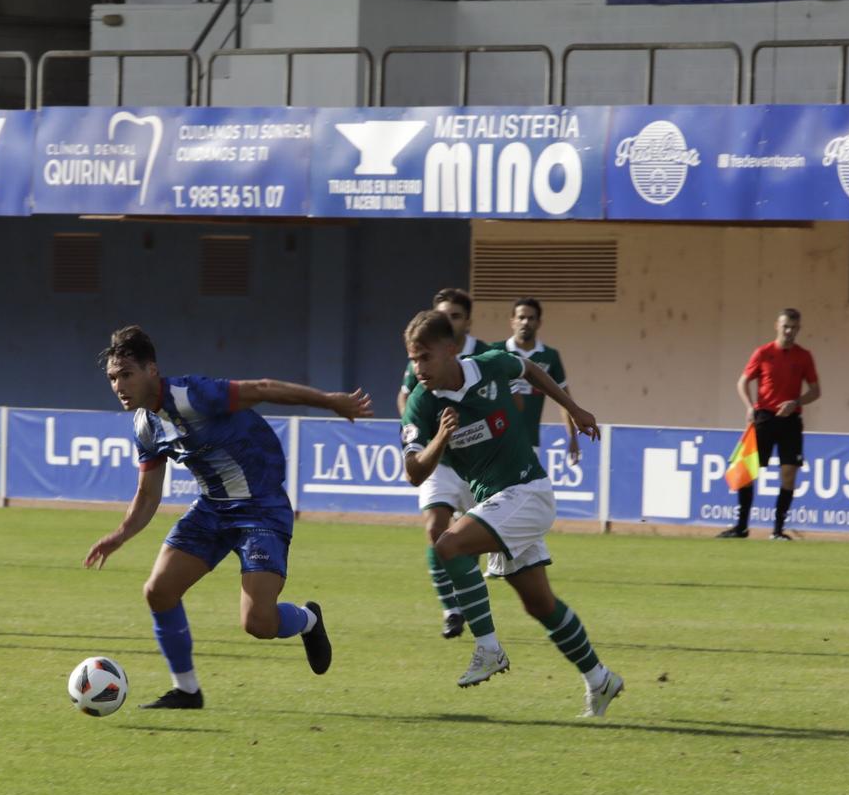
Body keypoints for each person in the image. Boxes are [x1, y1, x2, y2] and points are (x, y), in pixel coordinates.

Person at [82, 326, 371, 710]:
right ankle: (186, 691)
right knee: (158, 591)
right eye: (113, 378)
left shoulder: (194, 394)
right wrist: (120, 535)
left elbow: (264, 388)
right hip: (212, 509)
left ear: (152, 370)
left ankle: (307, 621)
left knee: (257, 623)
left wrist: (330, 401)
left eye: (126, 375)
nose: (118, 385)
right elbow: (148, 494)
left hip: (261, 509)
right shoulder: (144, 425)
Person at [401, 310, 622, 715]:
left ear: (451, 350)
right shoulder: (421, 403)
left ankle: (488, 647)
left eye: (425, 357)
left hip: (527, 491)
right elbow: (414, 472)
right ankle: (600, 679)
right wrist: (441, 439)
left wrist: (573, 408)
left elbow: (532, 369)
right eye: (413, 359)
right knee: (539, 603)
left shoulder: (488, 366)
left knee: (446, 546)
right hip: (498, 503)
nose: (418, 368)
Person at [395, 288, 498, 645]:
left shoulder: (484, 355)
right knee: (434, 526)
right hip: (440, 460)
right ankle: (451, 609)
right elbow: (406, 396)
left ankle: (473, 595)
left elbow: (511, 398)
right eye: (443, 315)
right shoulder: (422, 358)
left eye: (455, 316)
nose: (448, 321)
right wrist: (417, 431)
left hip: (477, 462)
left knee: (478, 541)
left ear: (467, 321)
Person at [719, 307, 822, 541]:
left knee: (788, 474)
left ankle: (777, 531)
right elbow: (742, 382)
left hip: (791, 421)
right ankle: (741, 527)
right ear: (777, 325)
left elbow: (816, 391)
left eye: (794, 328)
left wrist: (796, 401)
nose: (789, 331)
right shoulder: (763, 353)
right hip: (764, 418)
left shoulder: (804, 356)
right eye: (786, 326)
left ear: (799, 329)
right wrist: (749, 406)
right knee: (748, 471)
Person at [500, 296, 576, 467]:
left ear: (539, 323)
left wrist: (572, 437)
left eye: (531, 318)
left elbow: (564, 400)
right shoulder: (496, 351)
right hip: (496, 442)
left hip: (529, 443)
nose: (525, 322)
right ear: (512, 321)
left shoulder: (550, 356)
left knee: (526, 493)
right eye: (521, 317)